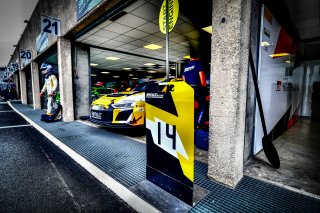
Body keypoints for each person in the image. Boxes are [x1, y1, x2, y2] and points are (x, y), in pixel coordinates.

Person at [182, 52, 207, 129]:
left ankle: (189, 123)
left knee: (191, 107)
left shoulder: (185, 67)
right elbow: (202, 79)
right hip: (197, 88)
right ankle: (199, 124)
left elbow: (183, 80)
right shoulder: (198, 64)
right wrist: (204, 88)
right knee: (202, 106)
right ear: (198, 57)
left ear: (190, 57)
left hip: (188, 89)